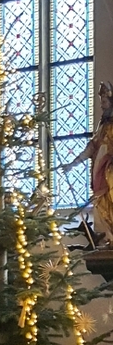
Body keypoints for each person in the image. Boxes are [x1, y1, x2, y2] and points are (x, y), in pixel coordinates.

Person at [61, 82, 113, 245]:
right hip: (100, 173)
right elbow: (91, 148)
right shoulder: (101, 127)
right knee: (102, 203)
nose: (102, 106)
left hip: (109, 170)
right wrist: (72, 164)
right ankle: (109, 237)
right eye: (101, 102)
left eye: (104, 102)